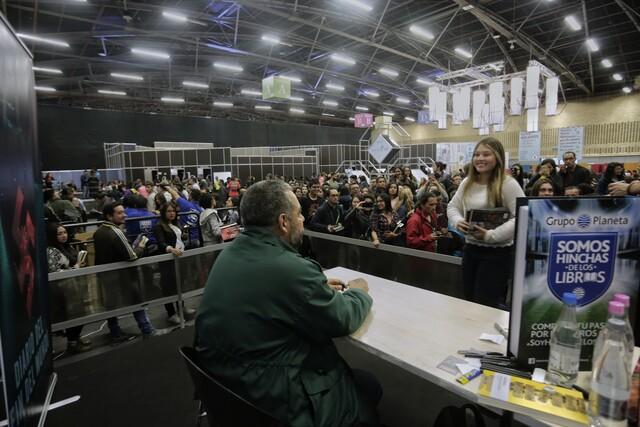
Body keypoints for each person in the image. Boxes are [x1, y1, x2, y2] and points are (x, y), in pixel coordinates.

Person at [195, 180, 380, 426]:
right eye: (299, 214)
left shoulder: (227, 255)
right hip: (280, 402)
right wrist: (358, 292)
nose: (303, 219)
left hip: (232, 392)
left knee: (365, 382)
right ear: (284, 222)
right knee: (370, 388)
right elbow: (343, 318)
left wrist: (314, 288)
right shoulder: (293, 270)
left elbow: (267, 290)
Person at [447, 137, 525, 309]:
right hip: (470, 249)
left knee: (485, 304)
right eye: (476, 154)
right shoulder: (468, 182)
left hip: (498, 254)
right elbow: (452, 207)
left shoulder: (508, 184)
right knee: (468, 299)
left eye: (486, 154)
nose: (480, 158)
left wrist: (491, 235)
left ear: (497, 157)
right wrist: (458, 221)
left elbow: (522, 215)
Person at [94, 202, 155, 341]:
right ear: (110, 216)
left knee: (111, 305)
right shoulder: (116, 231)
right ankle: (147, 329)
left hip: (107, 276)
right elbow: (132, 256)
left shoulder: (99, 231)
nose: (124, 215)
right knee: (136, 301)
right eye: (120, 213)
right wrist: (140, 246)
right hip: (122, 276)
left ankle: (115, 332)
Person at [46, 222, 91, 353]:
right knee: (71, 315)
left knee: (78, 314)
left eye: (64, 232)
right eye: (59, 234)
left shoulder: (66, 246)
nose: (63, 236)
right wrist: (74, 268)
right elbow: (53, 272)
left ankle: (75, 337)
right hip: (61, 290)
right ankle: (72, 342)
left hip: (74, 286)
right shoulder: (50, 250)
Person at [154, 201, 188, 325]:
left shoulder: (176, 224)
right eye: (169, 211)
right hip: (168, 260)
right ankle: (171, 313)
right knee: (168, 287)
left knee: (180, 284)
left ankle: (181, 308)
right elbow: (161, 243)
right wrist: (171, 249)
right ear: (163, 213)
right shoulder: (159, 226)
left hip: (180, 257)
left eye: (173, 211)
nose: (172, 213)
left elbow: (178, 238)